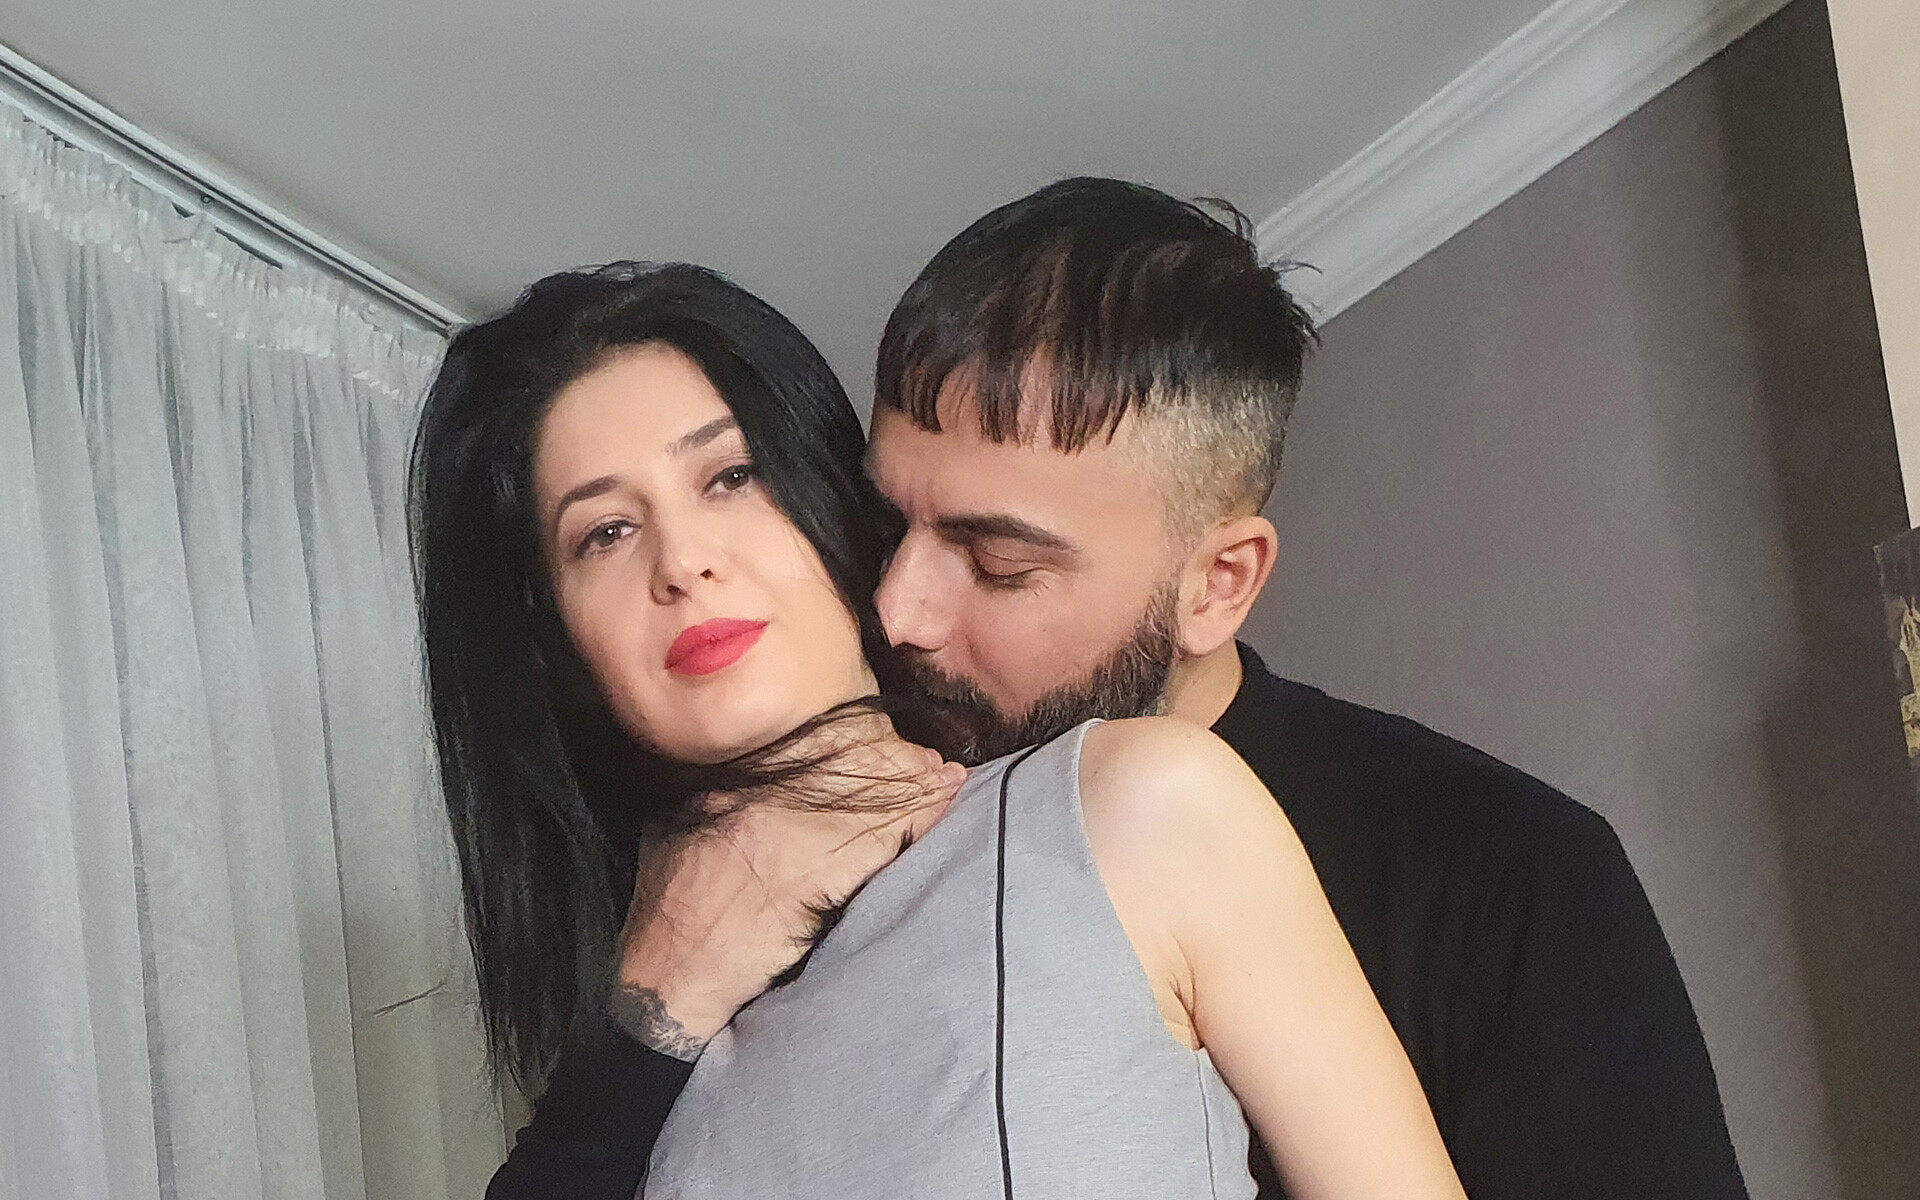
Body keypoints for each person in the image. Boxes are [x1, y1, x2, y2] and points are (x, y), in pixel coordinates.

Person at [484, 180, 1751, 1200]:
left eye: (997, 562)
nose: (899, 608)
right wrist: (650, 1007)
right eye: (888, 521)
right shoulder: (760, 885)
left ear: (1217, 585)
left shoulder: (1495, 873)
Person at [414, 262, 1467, 1198]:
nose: (682, 561)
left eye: (731, 477)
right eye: (605, 531)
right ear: (557, 646)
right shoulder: (626, 1080)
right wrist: (655, 1006)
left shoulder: (1137, 805)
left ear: (834, 497)